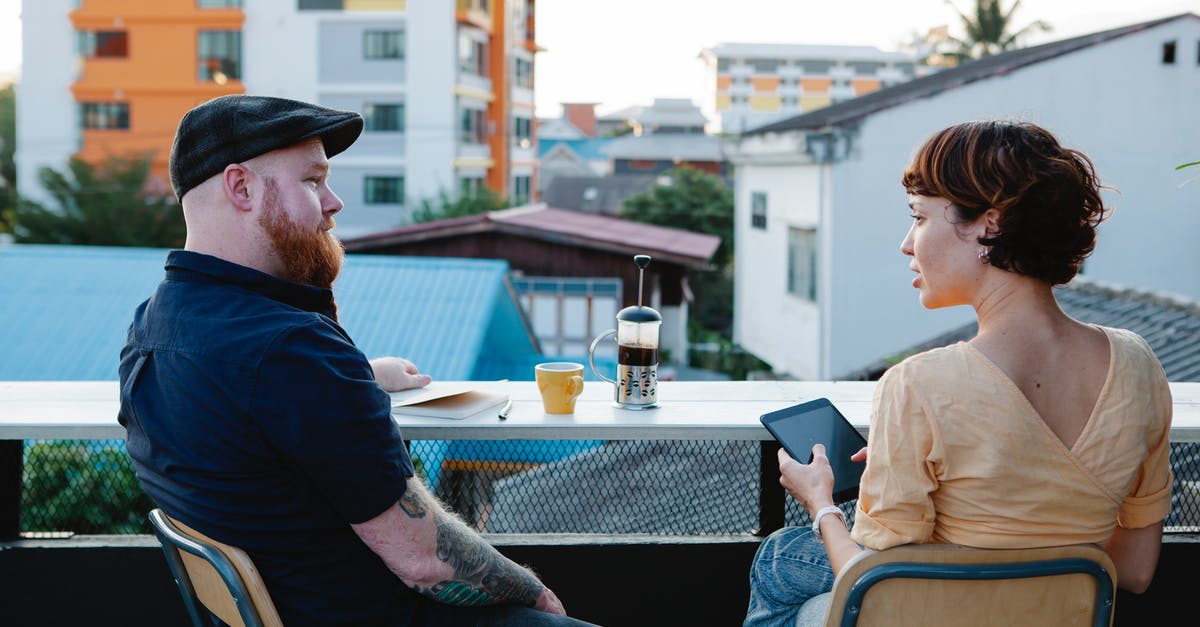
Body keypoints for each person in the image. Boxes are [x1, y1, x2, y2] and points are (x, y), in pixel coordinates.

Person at [118, 95, 594, 626]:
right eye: (312, 181)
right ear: (241, 187)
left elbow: (254, 394)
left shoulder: (153, 326)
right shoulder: (294, 353)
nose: (334, 201)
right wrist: (531, 591)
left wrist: (362, 374)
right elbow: (428, 562)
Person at [744, 120, 1173, 626]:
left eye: (919, 218)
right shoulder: (1138, 364)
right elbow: (1136, 570)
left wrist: (818, 501)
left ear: (989, 225)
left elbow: (870, 577)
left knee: (779, 560)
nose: (907, 244)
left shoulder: (917, 385)